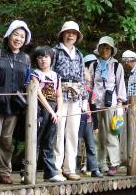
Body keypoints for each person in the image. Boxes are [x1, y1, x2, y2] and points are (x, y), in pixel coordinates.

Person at [0, 20, 32, 184]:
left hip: (14, 106)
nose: (18, 38)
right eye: (16, 34)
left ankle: (4, 172)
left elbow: (28, 82)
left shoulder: (26, 59)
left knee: (7, 139)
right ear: (9, 35)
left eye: (22, 36)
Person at [52, 21, 86, 180]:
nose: (71, 35)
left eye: (74, 33)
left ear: (77, 36)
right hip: (60, 95)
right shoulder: (55, 52)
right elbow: (50, 75)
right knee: (58, 132)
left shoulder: (79, 54)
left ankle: (70, 168)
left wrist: (84, 100)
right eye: (68, 32)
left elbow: (82, 78)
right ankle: (56, 168)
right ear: (62, 34)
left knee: (73, 133)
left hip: (76, 97)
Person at [89, 36, 127, 175]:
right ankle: (101, 163)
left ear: (111, 50)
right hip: (96, 103)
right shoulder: (94, 65)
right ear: (98, 49)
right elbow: (91, 84)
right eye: (102, 47)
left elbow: (120, 84)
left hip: (112, 104)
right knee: (98, 135)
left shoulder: (117, 65)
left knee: (112, 134)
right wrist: (89, 102)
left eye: (107, 48)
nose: (104, 50)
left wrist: (120, 103)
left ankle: (114, 163)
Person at [32, 46, 65, 182]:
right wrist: (51, 111)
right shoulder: (35, 73)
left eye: (46, 57)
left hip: (53, 111)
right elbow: (38, 93)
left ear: (51, 59)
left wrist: (58, 111)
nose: (43, 60)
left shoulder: (56, 75)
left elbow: (59, 96)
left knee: (49, 141)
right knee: (35, 140)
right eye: (40, 57)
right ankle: (27, 171)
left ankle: (50, 172)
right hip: (39, 110)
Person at [77, 54, 102, 177]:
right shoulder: (76, 90)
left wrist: (95, 125)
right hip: (76, 118)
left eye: (88, 81)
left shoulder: (91, 92)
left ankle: (94, 168)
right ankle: (71, 167)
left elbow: (94, 109)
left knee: (91, 145)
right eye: (84, 80)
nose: (86, 83)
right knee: (73, 143)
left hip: (88, 120)